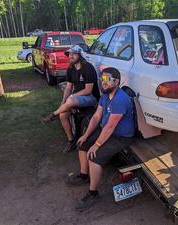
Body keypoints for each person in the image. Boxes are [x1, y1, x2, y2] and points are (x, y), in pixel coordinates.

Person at [65, 67, 135, 210]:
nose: (102, 82)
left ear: (116, 82)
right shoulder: (105, 95)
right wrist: (85, 135)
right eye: (101, 79)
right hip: (107, 131)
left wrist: (97, 144)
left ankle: (93, 193)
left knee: (94, 157)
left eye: (106, 79)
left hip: (120, 137)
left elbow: (110, 127)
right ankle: (84, 175)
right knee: (83, 145)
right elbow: (97, 117)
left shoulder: (120, 99)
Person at [43, 45, 100, 153]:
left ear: (80, 55)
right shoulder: (70, 69)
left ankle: (52, 114)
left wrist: (72, 97)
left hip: (91, 98)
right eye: (69, 54)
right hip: (76, 98)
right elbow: (68, 87)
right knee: (63, 115)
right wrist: (63, 103)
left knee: (71, 100)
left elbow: (88, 90)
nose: (70, 56)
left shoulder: (88, 68)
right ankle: (71, 140)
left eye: (73, 54)